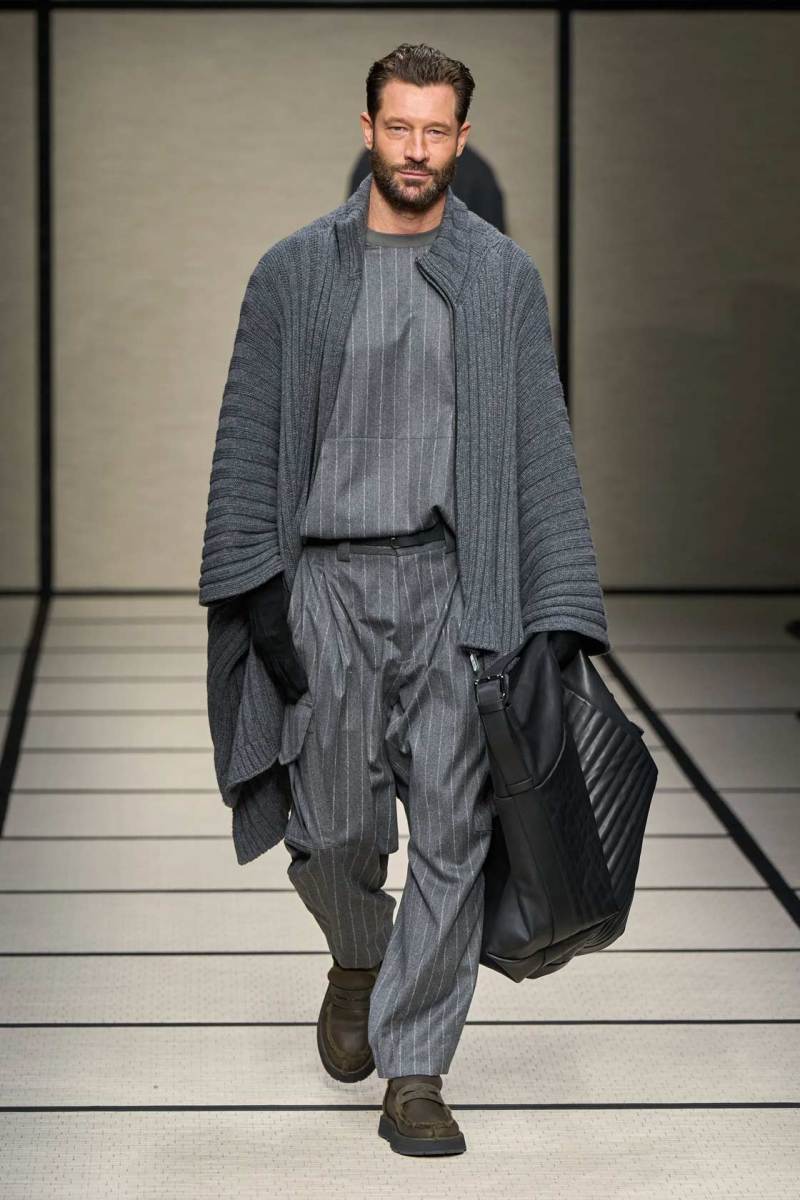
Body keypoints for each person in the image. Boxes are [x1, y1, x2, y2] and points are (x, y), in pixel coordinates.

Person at [198, 42, 609, 1157]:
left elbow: (539, 448)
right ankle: (358, 958)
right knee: (332, 831)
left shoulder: (499, 277)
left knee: (454, 833)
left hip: (454, 584)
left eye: (436, 130)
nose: (416, 149)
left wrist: (554, 613)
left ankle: (416, 1071)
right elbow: (247, 436)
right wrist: (257, 593)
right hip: (326, 582)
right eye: (398, 127)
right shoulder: (295, 271)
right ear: (367, 128)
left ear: (461, 138)